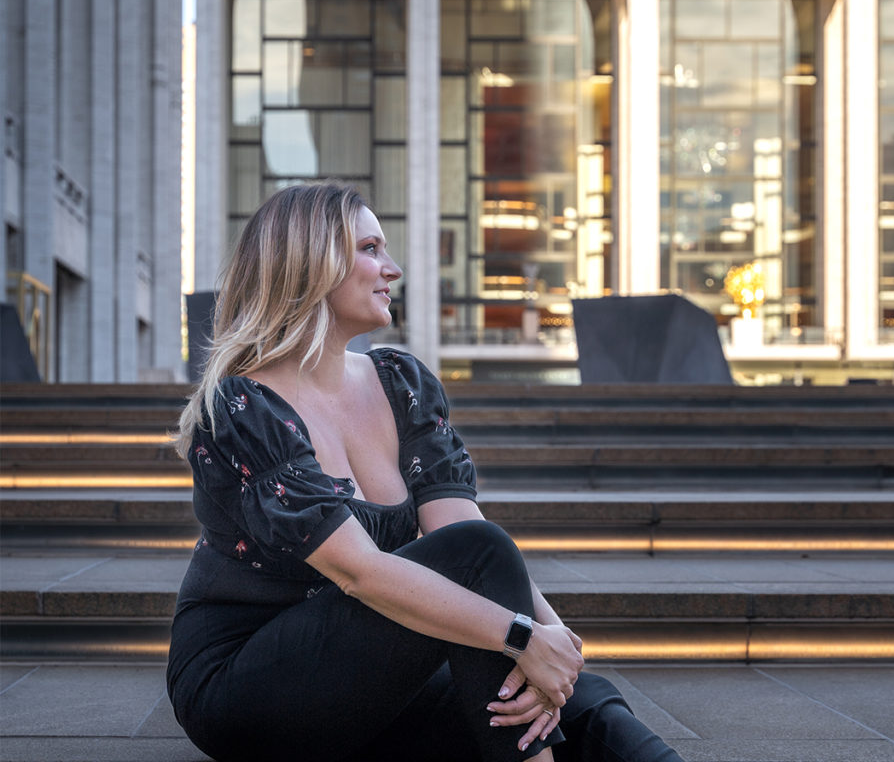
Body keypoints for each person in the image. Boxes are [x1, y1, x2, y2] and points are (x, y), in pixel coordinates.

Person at [167, 181, 683, 762]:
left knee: (578, 699)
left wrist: (556, 649)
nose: (392, 268)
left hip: (369, 674)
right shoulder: (243, 408)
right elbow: (362, 572)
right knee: (490, 587)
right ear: (309, 264)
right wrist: (522, 638)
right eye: (369, 248)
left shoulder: (400, 383)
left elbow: (461, 530)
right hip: (250, 684)